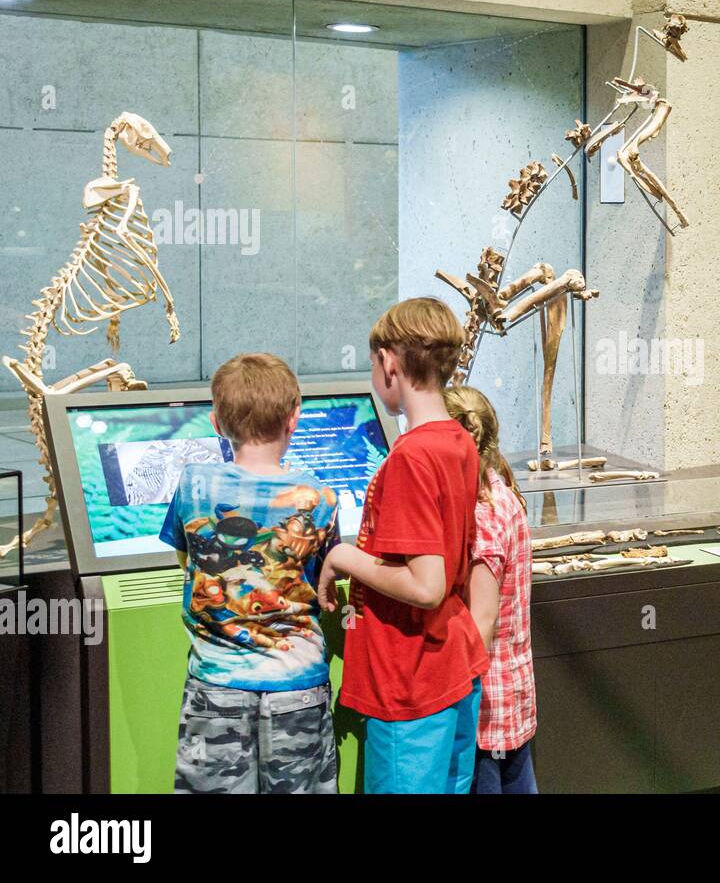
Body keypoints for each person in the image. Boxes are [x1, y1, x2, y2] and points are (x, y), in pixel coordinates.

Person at [317, 297, 488, 794]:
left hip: (410, 681)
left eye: (373, 363)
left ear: (389, 362)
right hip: (451, 667)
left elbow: (427, 585)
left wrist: (344, 556)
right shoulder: (458, 440)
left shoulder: (411, 456)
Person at [161, 352, 341, 794]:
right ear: (293, 418)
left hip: (215, 687)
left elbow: (186, 559)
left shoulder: (193, 484)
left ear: (216, 422)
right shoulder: (320, 497)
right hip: (297, 688)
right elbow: (322, 582)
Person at [446, 386, 539, 794]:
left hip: (487, 707)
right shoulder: (502, 494)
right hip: (510, 695)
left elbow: (481, 621)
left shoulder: (481, 512)